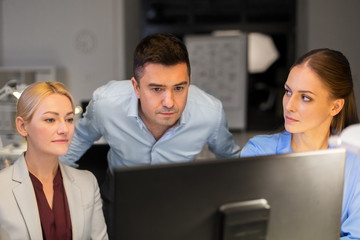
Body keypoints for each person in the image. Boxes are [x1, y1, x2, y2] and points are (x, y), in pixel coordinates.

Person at [60, 33, 241, 237]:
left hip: (179, 194)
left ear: (189, 82)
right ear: (136, 87)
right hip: (120, 194)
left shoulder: (210, 112)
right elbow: (77, 141)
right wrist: (54, 187)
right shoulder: (106, 104)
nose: (169, 102)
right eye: (157, 89)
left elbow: (232, 161)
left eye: (179, 88)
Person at [240, 48, 360, 239]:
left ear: (335, 106)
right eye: (288, 92)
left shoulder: (355, 161)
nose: (289, 106)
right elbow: (245, 230)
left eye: (305, 97)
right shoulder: (258, 152)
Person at [0, 82, 108, 240]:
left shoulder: (87, 183)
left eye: (69, 119)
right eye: (50, 120)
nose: (64, 129)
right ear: (22, 126)